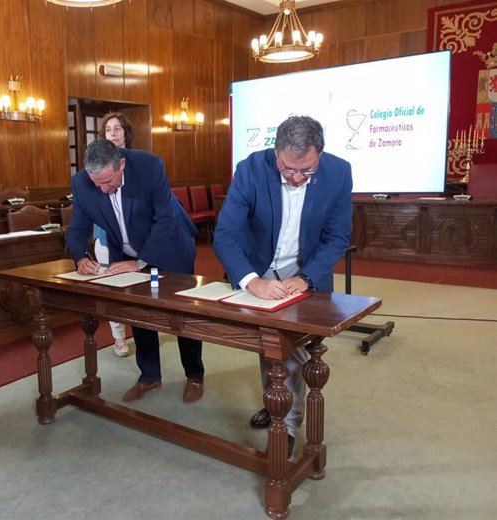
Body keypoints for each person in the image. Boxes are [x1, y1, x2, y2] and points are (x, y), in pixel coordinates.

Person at [212, 115, 352, 456]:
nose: (297, 178)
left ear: (319, 155)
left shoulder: (338, 172)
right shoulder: (250, 170)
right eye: (289, 169)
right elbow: (226, 235)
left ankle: (286, 426)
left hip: (306, 270)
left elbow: (336, 238)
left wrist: (305, 278)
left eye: (307, 171)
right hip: (257, 269)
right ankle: (278, 406)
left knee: (292, 347)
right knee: (268, 343)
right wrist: (252, 281)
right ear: (276, 153)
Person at [66, 138, 205, 403]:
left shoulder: (150, 166)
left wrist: (141, 263)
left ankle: (194, 375)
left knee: (183, 314)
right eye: (97, 184)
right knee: (139, 313)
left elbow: (166, 219)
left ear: (122, 164)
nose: (104, 189)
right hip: (126, 253)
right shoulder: (82, 182)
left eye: (109, 181)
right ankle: (150, 376)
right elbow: (78, 226)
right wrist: (80, 257)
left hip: (169, 248)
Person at [94, 112, 135, 357]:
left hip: (133, 234)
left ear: (125, 133)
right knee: (110, 282)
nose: (112, 133)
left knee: (137, 281)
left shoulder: (140, 163)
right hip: (105, 231)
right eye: (108, 129)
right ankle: (118, 337)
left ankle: (144, 328)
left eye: (117, 128)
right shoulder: (95, 162)